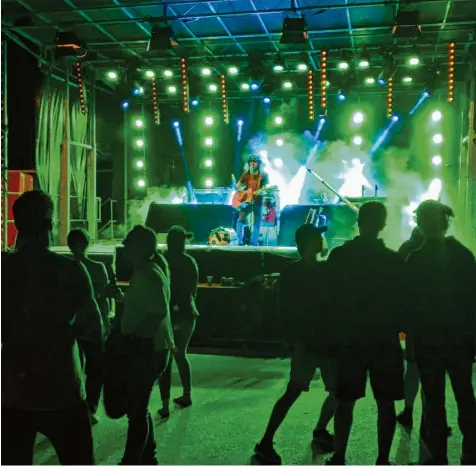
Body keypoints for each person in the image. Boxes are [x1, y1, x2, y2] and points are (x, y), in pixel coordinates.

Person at [2, 190, 103, 465]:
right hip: (62, 390)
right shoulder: (70, 271)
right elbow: (93, 332)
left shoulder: (3, 270)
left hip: (13, 391)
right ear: (49, 222)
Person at [326, 202, 405, 466]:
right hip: (384, 339)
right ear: (383, 224)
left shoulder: (339, 256)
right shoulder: (394, 261)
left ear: (358, 222)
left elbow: (329, 301)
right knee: (386, 403)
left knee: (344, 401)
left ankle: (339, 455)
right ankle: (383, 459)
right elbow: (403, 303)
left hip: (349, 338)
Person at [254, 224, 335, 465]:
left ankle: (274, 440)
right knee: (300, 390)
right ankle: (268, 441)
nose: (324, 239)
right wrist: (294, 340)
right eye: (319, 236)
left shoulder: (304, 271)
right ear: (310, 242)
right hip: (310, 343)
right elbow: (286, 310)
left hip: (316, 342)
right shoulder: (307, 272)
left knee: (329, 391)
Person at [406, 200, 476, 465]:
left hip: (428, 341)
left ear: (420, 224)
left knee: (433, 400)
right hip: (460, 340)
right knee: (465, 396)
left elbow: (410, 306)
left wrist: (411, 341)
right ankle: (471, 450)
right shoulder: (464, 255)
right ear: (446, 223)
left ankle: (437, 456)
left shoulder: (417, 259)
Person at [119, 225, 175, 464]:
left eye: (129, 244)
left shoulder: (148, 274)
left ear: (141, 247)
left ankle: (132, 460)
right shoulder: (150, 270)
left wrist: (134, 339)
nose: (125, 249)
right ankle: (147, 457)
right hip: (153, 348)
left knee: (136, 411)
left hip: (147, 350)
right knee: (138, 408)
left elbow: (158, 312)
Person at [68, 228, 111, 424]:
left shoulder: (64, 267)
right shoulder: (97, 267)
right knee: (95, 368)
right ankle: (90, 407)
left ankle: (73, 405)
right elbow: (102, 300)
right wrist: (106, 320)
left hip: (71, 323)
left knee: (74, 364)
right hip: (93, 324)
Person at [158, 225, 199, 418]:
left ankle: (165, 405)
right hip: (186, 313)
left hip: (167, 313)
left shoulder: (161, 260)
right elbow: (193, 292)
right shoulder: (190, 262)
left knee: (166, 358)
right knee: (181, 354)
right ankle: (187, 394)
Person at [235, 154, 270, 246]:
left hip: (258, 200)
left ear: (258, 163)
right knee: (240, 219)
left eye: (254, 162)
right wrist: (239, 190)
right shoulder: (246, 174)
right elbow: (238, 185)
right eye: (251, 162)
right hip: (246, 201)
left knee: (257, 221)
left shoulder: (264, 175)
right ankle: (238, 241)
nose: (252, 163)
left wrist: (262, 191)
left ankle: (254, 242)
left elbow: (265, 188)